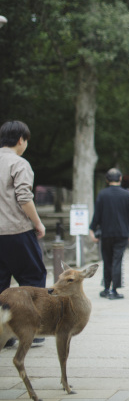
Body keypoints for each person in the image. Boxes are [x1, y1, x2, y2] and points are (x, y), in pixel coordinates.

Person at [0, 121, 47, 348]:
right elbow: (24, 197)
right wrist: (37, 223)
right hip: (16, 230)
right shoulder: (19, 163)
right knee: (33, 278)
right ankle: (31, 330)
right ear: (21, 139)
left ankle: (4, 333)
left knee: (1, 283)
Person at [89, 168, 129, 299]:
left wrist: (92, 229)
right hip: (122, 232)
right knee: (117, 261)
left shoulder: (102, 194)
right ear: (120, 178)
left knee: (107, 260)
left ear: (107, 180)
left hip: (106, 232)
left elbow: (97, 214)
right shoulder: (126, 195)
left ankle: (106, 288)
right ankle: (114, 290)